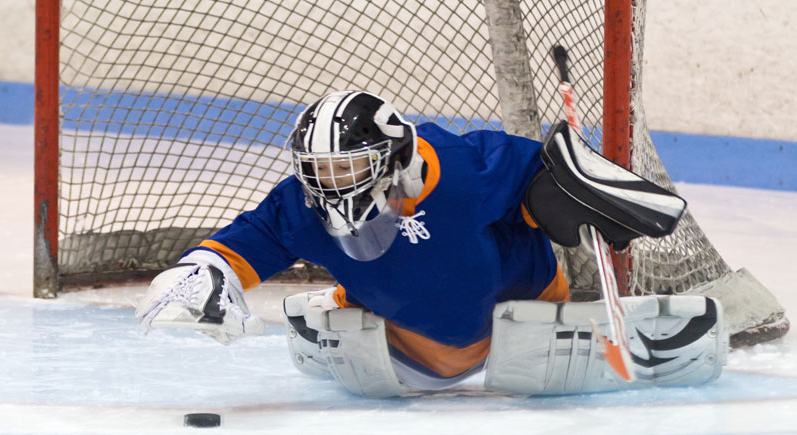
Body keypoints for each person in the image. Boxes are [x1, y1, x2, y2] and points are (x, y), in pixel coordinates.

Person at [136, 90, 727, 398]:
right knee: (373, 268)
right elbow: (236, 247)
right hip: (406, 349)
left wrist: (568, 187)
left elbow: (536, 172)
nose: (326, 184)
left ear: (393, 156)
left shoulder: (464, 168)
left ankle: (566, 320)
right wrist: (200, 279)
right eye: (316, 169)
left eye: (344, 169)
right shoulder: (301, 205)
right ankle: (343, 309)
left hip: (525, 313)